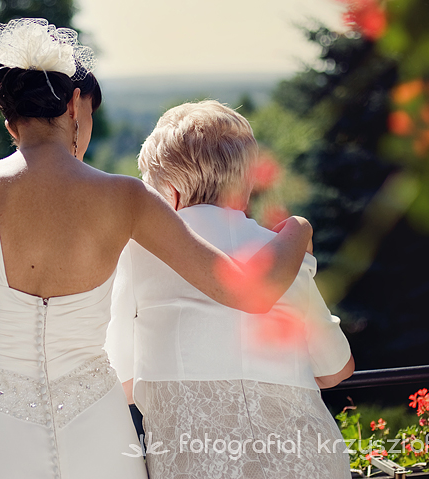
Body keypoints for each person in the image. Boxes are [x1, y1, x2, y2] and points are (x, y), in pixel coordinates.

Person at [0, 19, 314, 479]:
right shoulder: (126, 198)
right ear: (76, 103)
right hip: (95, 434)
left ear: (10, 120)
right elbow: (251, 293)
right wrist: (296, 230)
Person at [105, 100, 354, 479]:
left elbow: (118, 380)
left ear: (168, 192)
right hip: (308, 463)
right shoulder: (284, 254)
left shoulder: (138, 254)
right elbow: (337, 368)